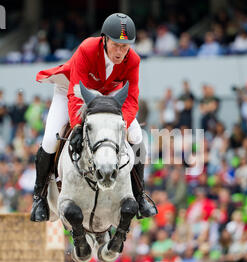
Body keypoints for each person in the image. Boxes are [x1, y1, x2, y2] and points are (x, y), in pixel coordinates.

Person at [31, 13, 157, 222]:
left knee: (137, 135)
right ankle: (39, 197)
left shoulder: (133, 60)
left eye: (125, 47)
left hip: (107, 97)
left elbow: (132, 99)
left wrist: (121, 124)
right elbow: (74, 93)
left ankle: (140, 195)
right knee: (51, 140)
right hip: (72, 91)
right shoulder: (88, 48)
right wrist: (78, 126)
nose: (120, 52)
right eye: (116, 45)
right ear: (105, 39)